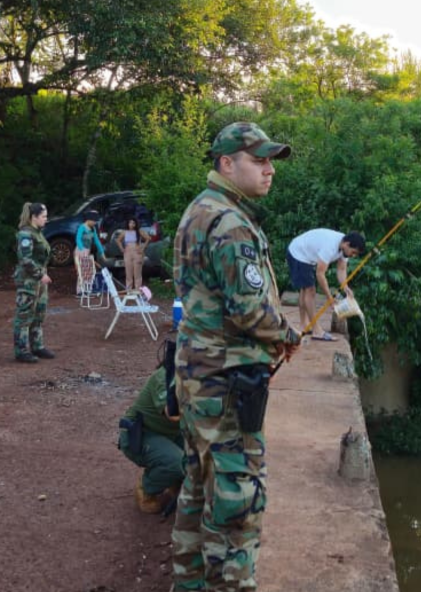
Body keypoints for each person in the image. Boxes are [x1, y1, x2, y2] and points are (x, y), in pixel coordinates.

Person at [171, 121, 302, 591]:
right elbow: (248, 308)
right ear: (227, 164)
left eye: (270, 161)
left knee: (197, 487)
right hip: (225, 381)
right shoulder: (229, 221)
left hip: (196, 374)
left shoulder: (200, 210)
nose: (269, 170)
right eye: (259, 160)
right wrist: (286, 332)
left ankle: (187, 584)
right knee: (238, 500)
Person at [118, 359, 183, 514]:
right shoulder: (166, 376)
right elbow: (172, 413)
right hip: (141, 435)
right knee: (178, 463)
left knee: (207, 453)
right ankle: (146, 487)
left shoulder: (201, 375)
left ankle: (175, 481)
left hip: (171, 435)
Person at [285, 229, 366, 336]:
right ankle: (316, 330)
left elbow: (341, 270)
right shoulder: (330, 246)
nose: (353, 255)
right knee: (310, 290)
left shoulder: (344, 249)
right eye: (353, 252)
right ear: (347, 244)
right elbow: (320, 274)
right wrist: (329, 298)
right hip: (298, 253)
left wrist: (346, 287)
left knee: (305, 290)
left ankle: (304, 324)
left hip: (305, 255)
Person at [14, 202, 55, 363]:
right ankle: (21, 350)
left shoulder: (37, 233)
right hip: (28, 281)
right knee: (24, 315)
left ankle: (37, 345)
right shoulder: (26, 234)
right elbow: (25, 259)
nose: (46, 219)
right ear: (34, 217)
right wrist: (40, 274)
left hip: (39, 280)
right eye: (44, 216)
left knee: (39, 313)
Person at [74, 210, 105, 296]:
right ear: (89, 220)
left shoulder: (93, 229)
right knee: (82, 270)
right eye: (94, 221)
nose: (95, 223)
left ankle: (87, 289)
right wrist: (82, 250)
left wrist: (102, 252)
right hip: (80, 250)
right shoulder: (82, 227)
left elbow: (97, 241)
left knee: (89, 271)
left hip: (87, 250)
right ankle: (80, 291)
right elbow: (78, 239)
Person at [115, 217, 151, 291]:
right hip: (127, 252)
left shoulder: (139, 231)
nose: (131, 225)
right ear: (127, 224)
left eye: (133, 223)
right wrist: (121, 248)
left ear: (135, 224)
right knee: (128, 272)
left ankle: (138, 290)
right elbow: (118, 240)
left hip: (137, 252)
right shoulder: (124, 232)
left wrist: (143, 248)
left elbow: (148, 238)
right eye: (130, 223)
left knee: (137, 273)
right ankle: (129, 290)